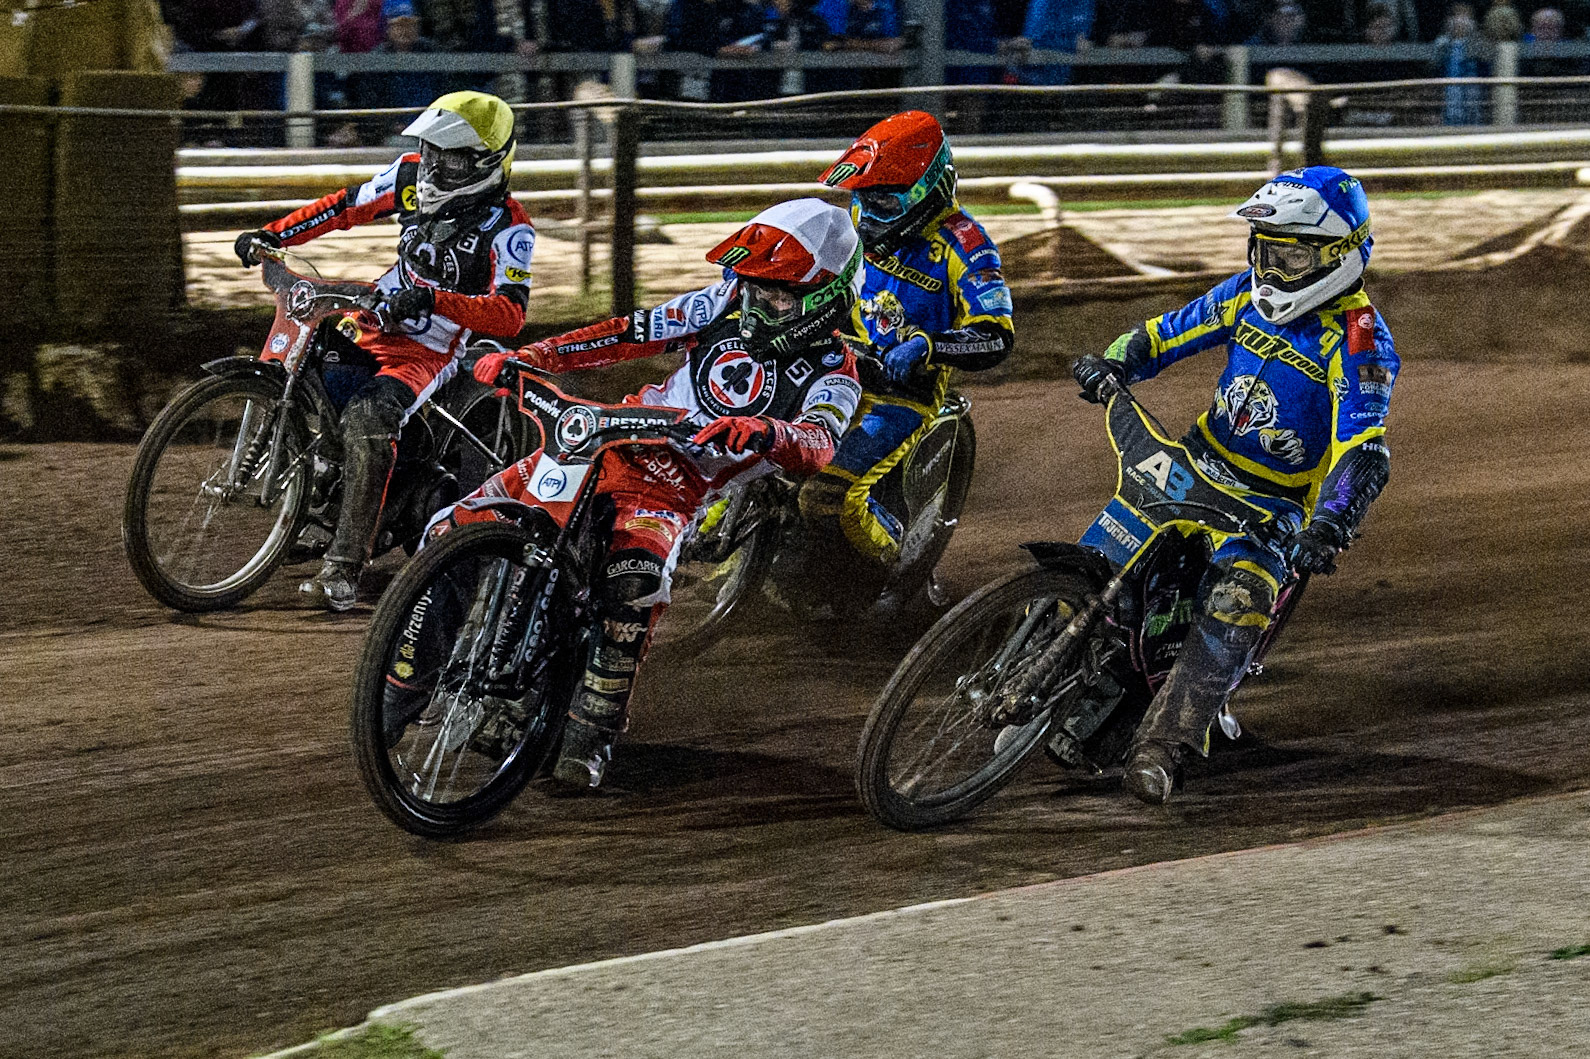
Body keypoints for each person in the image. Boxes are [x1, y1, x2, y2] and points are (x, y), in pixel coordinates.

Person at [454, 198, 865, 789]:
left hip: (679, 483)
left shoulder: (834, 371)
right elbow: (633, 332)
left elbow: (818, 440)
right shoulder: (722, 301)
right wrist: (534, 354)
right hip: (614, 435)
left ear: (824, 299)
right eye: (752, 287)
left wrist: (769, 430)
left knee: (634, 584)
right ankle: (420, 668)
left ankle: (589, 731)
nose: (757, 303)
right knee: (461, 522)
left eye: (777, 295)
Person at [1071, 166, 1399, 805]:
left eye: (1291, 253)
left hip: (1269, 507)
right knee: (1095, 559)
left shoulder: (1361, 343)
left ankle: (1163, 746)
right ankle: (1029, 669)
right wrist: (1115, 360)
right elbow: (1167, 333)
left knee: (1237, 602)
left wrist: (1332, 521)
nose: (1272, 267)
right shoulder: (1246, 295)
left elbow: (1365, 449)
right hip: (1190, 460)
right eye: (1265, 249)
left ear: (1339, 256)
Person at [233, 91, 535, 611]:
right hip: (372, 315)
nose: (434, 165)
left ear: (486, 163)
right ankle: (305, 506)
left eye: (451, 157)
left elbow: (510, 314)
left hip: (429, 349)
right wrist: (273, 235)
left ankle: (344, 567)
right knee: (300, 366)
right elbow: (346, 207)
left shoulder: (511, 229)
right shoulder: (408, 177)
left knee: (368, 418)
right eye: (431, 151)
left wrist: (437, 299)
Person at [804, 111, 1014, 602]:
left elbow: (996, 333)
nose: (868, 210)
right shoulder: (854, 218)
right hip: (828, 363)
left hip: (900, 391)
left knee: (827, 495)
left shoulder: (966, 245)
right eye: (862, 196)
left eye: (882, 199)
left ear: (927, 189)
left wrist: (929, 345)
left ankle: (902, 567)